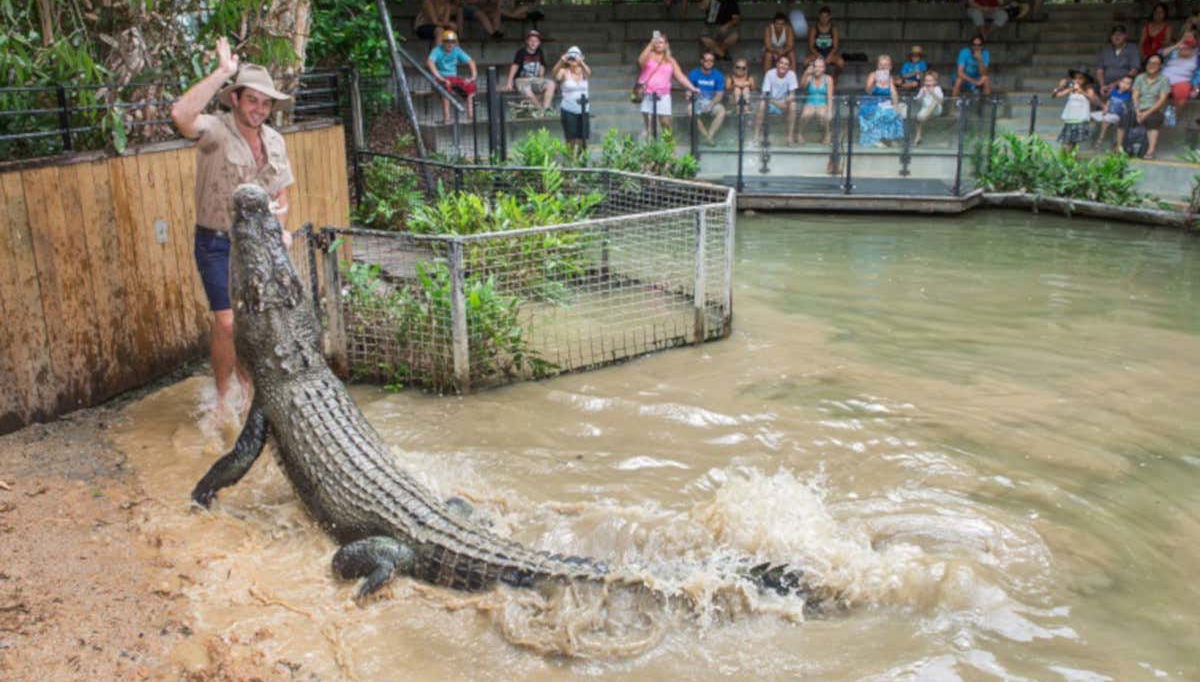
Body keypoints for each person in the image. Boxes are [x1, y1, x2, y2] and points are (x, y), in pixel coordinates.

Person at [169, 37, 294, 417]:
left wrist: (281, 228)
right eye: (252, 99)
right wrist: (222, 72)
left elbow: (282, 198)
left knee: (251, 323)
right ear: (236, 99)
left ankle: (247, 387)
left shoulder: (274, 140)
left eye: (266, 102)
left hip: (257, 245)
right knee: (225, 324)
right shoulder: (216, 131)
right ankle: (222, 398)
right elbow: (181, 116)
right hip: (217, 242)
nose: (259, 108)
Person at [636, 32, 701, 137]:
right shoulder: (649, 56)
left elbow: (680, 76)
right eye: (656, 42)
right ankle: (650, 151)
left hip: (663, 95)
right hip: (647, 94)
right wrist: (650, 44)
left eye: (661, 42)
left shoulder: (671, 60)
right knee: (649, 126)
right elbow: (640, 61)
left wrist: (692, 88)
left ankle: (670, 151)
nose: (658, 45)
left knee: (666, 124)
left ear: (666, 45)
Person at [426, 31, 477, 123]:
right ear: (443, 42)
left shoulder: (457, 50)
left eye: (452, 42)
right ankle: (447, 118)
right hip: (440, 79)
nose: (450, 44)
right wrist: (439, 77)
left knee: (471, 86)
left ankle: (471, 116)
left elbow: (471, 62)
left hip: (453, 78)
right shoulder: (437, 50)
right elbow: (430, 62)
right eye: (447, 41)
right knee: (446, 87)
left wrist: (473, 77)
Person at [504, 29, 555, 117]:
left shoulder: (540, 51)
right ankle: (540, 110)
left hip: (534, 79)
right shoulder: (521, 52)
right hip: (521, 80)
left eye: (536, 41)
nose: (533, 43)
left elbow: (542, 66)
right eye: (531, 40)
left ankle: (546, 109)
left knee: (551, 84)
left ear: (539, 43)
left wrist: (541, 77)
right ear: (527, 41)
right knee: (527, 91)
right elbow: (514, 66)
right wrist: (509, 82)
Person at [859, 54, 905, 148]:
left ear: (890, 67)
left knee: (895, 112)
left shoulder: (890, 78)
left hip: (885, 103)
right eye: (881, 65)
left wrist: (896, 105)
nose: (883, 67)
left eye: (886, 65)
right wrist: (876, 82)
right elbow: (868, 91)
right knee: (880, 112)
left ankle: (889, 138)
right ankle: (874, 139)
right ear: (878, 66)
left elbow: (893, 93)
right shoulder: (873, 75)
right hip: (871, 102)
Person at [754, 54, 799, 145]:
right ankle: (756, 136)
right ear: (777, 64)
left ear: (789, 67)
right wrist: (777, 103)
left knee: (793, 105)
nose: (783, 66)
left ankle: (789, 137)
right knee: (762, 103)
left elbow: (792, 95)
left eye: (786, 64)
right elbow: (765, 94)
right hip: (771, 103)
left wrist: (785, 102)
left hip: (784, 103)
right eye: (781, 63)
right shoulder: (770, 73)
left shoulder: (791, 74)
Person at [553, 45, 590, 153]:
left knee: (582, 138)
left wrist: (581, 62)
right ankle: (570, 162)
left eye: (576, 56)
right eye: (571, 57)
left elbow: (588, 72)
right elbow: (555, 75)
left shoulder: (583, 70)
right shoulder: (564, 71)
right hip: (568, 109)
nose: (573, 59)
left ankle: (580, 162)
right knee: (571, 138)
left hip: (584, 109)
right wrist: (561, 61)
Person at [1133, 53, 1171, 158]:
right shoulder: (1140, 77)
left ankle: (1151, 150)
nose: (1151, 65)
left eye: (1155, 63)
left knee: (1152, 119)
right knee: (1125, 116)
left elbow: (1162, 99)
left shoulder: (1164, 80)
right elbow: (1135, 96)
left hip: (1155, 109)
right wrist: (1137, 112)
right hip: (1138, 107)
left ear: (1160, 66)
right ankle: (1119, 147)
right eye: (1150, 63)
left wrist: (1146, 113)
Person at [1052, 69, 1099, 151]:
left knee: (1072, 143)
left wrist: (1082, 92)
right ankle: (1068, 158)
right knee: (1066, 143)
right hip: (1070, 119)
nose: (1077, 80)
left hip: (1080, 120)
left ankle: (1070, 158)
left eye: (1080, 78)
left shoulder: (1089, 90)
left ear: (1085, 80)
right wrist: (1060, 86)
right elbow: (1055, 96)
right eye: (1075, 78)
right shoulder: (1071, 89)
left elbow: (1093, 100)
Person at [688, 52, 728, 144]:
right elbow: (688, 90)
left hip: (712, 102)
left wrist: (711, 104)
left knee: (721, 110)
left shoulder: (718, 75)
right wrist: (689, 94)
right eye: (706, 60)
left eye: (711, 61)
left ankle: (710, 135)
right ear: (701, 61)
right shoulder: (694, 74)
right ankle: (705, 135)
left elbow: (719, 94)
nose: (709, 63)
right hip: (697, 101)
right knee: (690, 110)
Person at [1159, 31, 1199, 113]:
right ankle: (1158, 116)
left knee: (1182, 92)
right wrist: (1176, 46)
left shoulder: (1197, 54)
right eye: (1185, 37)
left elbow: (1198, 74)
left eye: (1190, 37)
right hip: (1163, 78)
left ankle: (1170, 116)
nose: (1187, 39)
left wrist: (1196, 89)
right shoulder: (1174, 50)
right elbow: (1160, 54)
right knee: (1156, 92)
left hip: (1182, 81)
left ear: (1195, 40)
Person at [1091, 73, 1134, 150]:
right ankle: (1095, 136)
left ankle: (1100, 140)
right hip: (1109, 112)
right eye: (1123, 82)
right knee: (1092, 116)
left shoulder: (1129, 95)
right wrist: (1106, 108)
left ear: (1131, 86)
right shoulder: (1114, 91)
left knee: (1106, 121)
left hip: (1118, 116)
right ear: (1119, 83)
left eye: (1128, 84)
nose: (1124, 85)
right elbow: (1109, 101)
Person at [1096, 25, 1141, 96]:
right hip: (1106, 84)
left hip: (1125, 84)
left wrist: (1115, 84)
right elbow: (1099, 70)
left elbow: (1134, 70)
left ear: (1125, 36)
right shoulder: (1105, 49)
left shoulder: (1132, 48)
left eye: (1120, 34)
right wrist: (1102, 85)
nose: (1117, 37)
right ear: (1111, 37)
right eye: (1114, 35)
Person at [797, 57, 833, 144]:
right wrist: (806, 73)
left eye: (821, 67)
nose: (818, 69)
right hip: (810, 102)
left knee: (823, 115)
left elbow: (829, 96)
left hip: (822, 103)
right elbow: (802, 86)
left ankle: (827, 134)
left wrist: (830, 110)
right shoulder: (809, 77)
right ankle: (799, 134)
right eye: (816, 66)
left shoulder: (828, 79)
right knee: (805, 115)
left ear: (824, 69)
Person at [806, 6, 844, 73]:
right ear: (819, 16)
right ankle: (812, 80)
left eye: (826, 17)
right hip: (817, 53)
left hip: (830, 53)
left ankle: (834, 78)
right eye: (822, 17)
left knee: (841, 63)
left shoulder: (833, 29)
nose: (824, 19)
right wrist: (819, 55)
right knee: (806, 62)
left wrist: (830, 55)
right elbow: (811, 47)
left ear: (830, 17)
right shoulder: (814, 29)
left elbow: (835, 47)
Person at [913, 70, 945, 146]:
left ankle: (925, 116)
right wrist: (922, 95)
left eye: (930, 80)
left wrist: (932, 92)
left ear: (935, 82)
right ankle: (918, 137)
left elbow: (941, 101)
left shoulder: (937, 89)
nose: (928, 82)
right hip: (925, 109)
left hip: (936, 109)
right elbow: (918, 102)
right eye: (926, 80)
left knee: (934, 101)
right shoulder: (922, 89)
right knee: (918, 118)